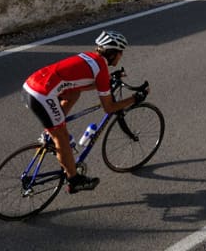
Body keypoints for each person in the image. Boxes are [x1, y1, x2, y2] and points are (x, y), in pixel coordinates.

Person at [22, 30, 147, 193]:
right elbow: (108, 108)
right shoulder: (101, 69)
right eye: (120, 53)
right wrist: (135, 99)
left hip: (31, 86)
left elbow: (80, 82)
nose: (121, 56)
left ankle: (50, 135)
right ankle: (74, 179)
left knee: (74, 92)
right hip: (42, 95)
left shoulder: (88, 57)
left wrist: (107, 81)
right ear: (113, 53)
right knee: (62, 137)